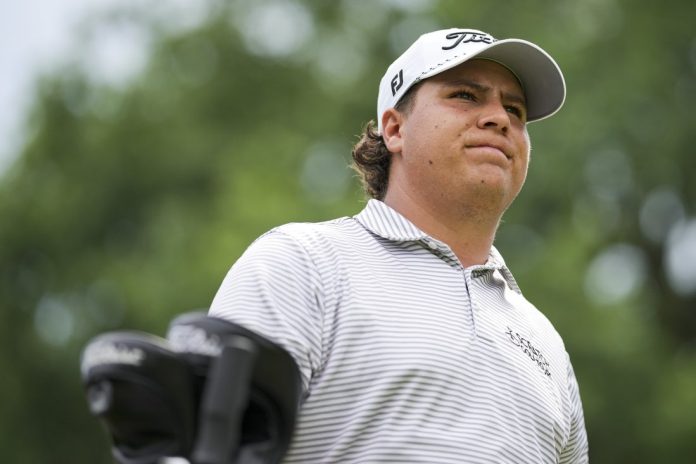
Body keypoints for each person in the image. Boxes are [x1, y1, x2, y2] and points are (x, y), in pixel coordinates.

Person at [209, 28, 589, 463]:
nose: (499, 118)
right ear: (394, 129)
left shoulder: (545, 341)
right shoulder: (301, 263)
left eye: (515, 109)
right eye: (465, 96)